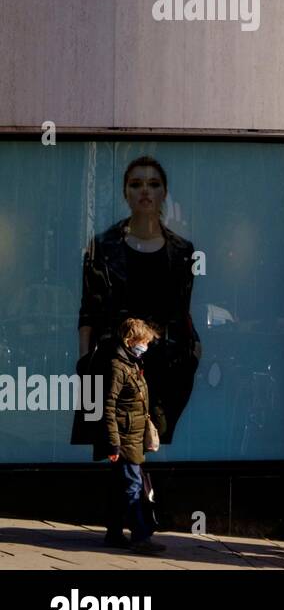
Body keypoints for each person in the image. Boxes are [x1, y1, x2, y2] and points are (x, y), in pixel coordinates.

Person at [73, 155, 201, 449]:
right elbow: (89, 311)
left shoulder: (182, 250)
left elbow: (183, 310)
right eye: (136, 184)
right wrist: (85, 364)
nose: (145, 190)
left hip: (166, 367)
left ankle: (149, 493)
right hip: (114, 363)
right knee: (115, 449)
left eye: (153, 184)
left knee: (157, 446)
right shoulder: (103, 246)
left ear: (164, 193)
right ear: (125, 193)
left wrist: (192, 353)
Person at [99, 318, 167, 553]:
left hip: (133, 436)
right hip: (125, 438)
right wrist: (114, 444)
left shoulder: (131, 363)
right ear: (130, 341)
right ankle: (140, 536)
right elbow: (108, 406)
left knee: (122, 486)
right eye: (143, 341)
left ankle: (114, 533)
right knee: (133, 486)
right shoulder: (118, 366)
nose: (145, 346)